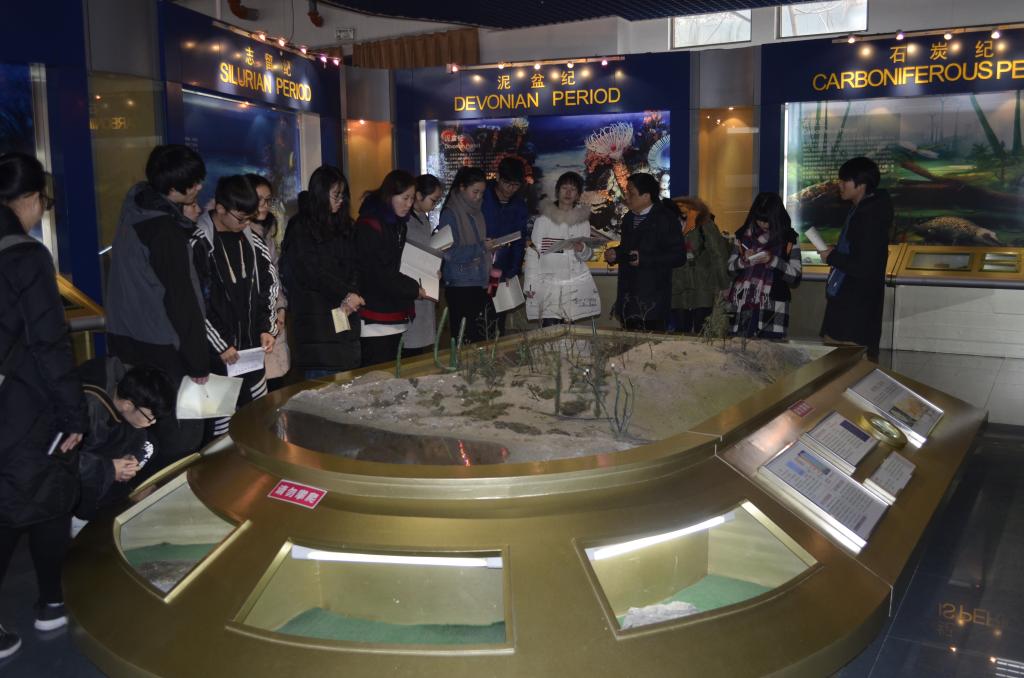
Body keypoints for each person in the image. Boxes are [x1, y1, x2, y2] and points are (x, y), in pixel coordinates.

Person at [0, 152, 88, 654]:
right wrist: (72, 412)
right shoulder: (26, 255)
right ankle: (52, 602)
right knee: (36, 499)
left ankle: (54, 600)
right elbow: (48, 342)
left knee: (30, 499)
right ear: (30, 198)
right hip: (24, 406)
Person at [105, 144, 210, 467]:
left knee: (143, 435)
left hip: (128, 342)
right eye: (194, 182)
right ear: (174, 188)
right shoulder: (163, 230)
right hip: (163, 348)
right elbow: (181, 300)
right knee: (181, 440)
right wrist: (198, 362)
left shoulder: (134, 213)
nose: (200, 187)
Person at [191, 175, 279, 437]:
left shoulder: (253, 241)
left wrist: (267, 328)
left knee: (259, 424)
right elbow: (195, 304)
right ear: (220, 208)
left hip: (251, 353)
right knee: (220, 434)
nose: (245, 224)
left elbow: (270, 285)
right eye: (241, 218)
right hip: (217, 359)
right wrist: (221, 344)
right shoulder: (198, 243)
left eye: (250, 218)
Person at [279, 167, 363, 378]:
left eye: (343, 195)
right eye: (336, 195)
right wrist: (346, 293)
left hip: (345, 315)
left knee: (347, 383)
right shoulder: (301, 226)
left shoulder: (345, 225)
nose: (340, 201)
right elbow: (310, 271)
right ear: (321, 193)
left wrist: (352, 293)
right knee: (322, 386)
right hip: (316, 319)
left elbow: (356, 264)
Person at [75, 358, 174, 521]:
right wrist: (110, 468)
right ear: (127, 405)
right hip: (78, 475)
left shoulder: (129, 383)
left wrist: (132, 457)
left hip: (107, 449)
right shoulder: (88, 414)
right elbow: (66, 461)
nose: (153, 422)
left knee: (151, 445)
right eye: (150, 417)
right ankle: (84, 520)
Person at [820, 157, 893, 360]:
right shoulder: (862, 210)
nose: (840, 185)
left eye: (845, 180)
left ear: (861, 184)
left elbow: (863, 265)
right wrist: (836, 252)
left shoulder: (869, 216)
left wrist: (832, 256)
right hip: (850, 303)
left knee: (848, 365)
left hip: (855, 309)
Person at [354, 170, 428, 367]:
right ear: (389, 196)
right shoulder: (370, 226)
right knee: (378, 374)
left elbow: (399, 266)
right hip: (375, 317)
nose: (409, 204)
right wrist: (413, 289)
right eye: (404, 198)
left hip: (395, 313)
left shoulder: (398, 225)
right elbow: (379, 274)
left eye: (412, 199)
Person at [603, 173, 686, 331]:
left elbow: (679, 256)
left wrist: (645, 259)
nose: (627, 197)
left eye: (631, 193)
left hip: (653, 302)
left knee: (650, 345)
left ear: (646, 196)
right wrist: (616, 254)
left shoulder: (666, 218)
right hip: (628, 298)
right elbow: (627, 249)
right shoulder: (629, 218)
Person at [523, 171, 600, 325]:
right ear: (557, 191)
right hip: (549, 285)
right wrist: (530, 285)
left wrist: (582, 249)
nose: (568, 192)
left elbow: (587, 256)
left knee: (570, 331)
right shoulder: (543, 221)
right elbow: (533, 253)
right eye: (565, 188)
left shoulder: (583, 222)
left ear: (578, 195)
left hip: (573, 285)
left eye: (573, 189)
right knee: (550, 328)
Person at [727, 192, 802, 339]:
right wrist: (744, 260)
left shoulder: (789, 238)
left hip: (773, 307)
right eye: (759, 219)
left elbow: (795, 277)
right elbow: (730, 269)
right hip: (742, 306)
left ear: (777, 217)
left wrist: (773, 260)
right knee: (739, 349)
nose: (763, 224)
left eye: (767, 221)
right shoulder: (742, 235)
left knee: (770, 350)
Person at [246, 174, 290, 389]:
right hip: (252, 323)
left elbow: (275, 277)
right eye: (259, 200)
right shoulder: (238, 234)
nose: (264, 206)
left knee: (276, 387)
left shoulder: (268, 232)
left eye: (268, 200)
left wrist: (280, 308)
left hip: (273, 317)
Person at [440, 167, 493, 343]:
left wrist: (487, 247)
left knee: (481, 337)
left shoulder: (477, 211)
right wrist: (481, 247)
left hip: (479, 282)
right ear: (462, 188)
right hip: (460, 285)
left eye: (482, 193)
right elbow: (449, 252)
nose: (478, 197)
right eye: (475, 192)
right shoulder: (450, 213)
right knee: (465, 340)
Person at [481, 157, 529, 335]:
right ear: (498, 177)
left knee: (495, 318)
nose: (511, 189)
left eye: (516, 185)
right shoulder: (482, 197)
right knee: (477, 318)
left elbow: (519, 242)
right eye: (507, 183)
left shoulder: (519, 206)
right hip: (477, 268)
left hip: (498, 273)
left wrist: (513, 271)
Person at [670, 197, 732, 334]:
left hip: (702, 284)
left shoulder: (704, 224)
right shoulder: (669, 225)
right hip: (678, 286)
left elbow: (718, 254)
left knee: (702, 329)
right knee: (681, 331)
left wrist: (724, 284)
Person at [403, 174, 443, 355]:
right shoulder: (405, 220)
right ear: (419, 196)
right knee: (410, 346)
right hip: (411, 285)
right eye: (433, 200)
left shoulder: (424, 219)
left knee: (422, 346)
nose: (434, 205)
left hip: (425, 282)